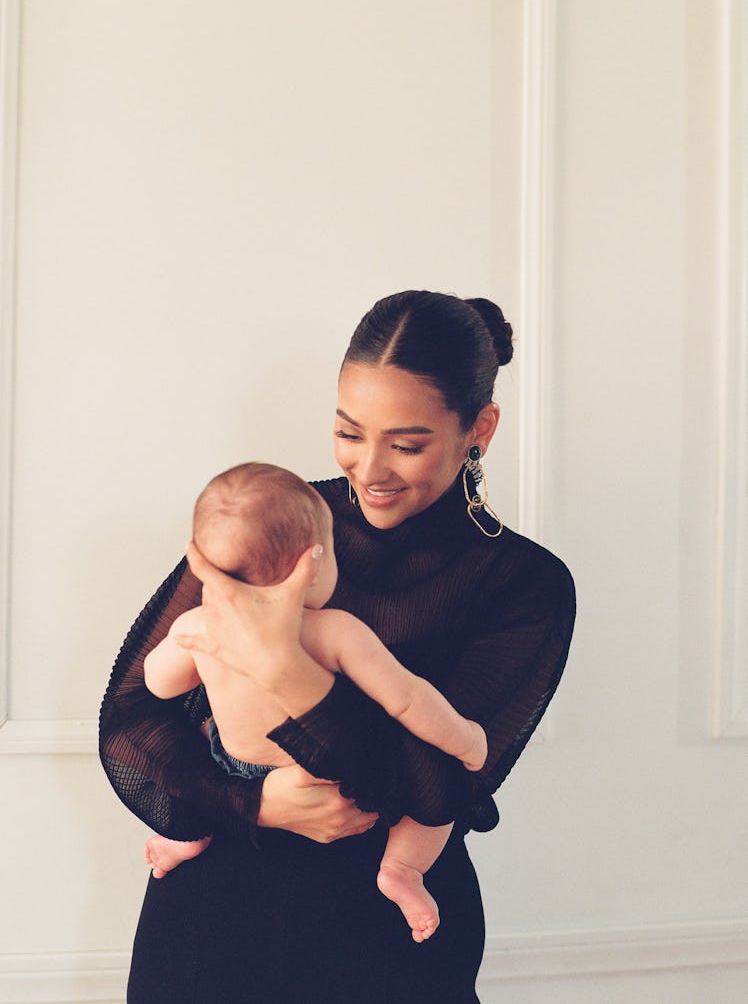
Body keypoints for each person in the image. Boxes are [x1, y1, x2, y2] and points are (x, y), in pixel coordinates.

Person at [100, 290, 576, 1003]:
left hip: (384, 939)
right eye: (350, 433)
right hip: (210, 925)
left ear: (481, 427)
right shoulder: (270, 521)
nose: (370, 469)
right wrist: (253, 803)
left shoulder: (525, 584)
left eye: (407, 444)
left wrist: (285, 671)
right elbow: (130, 721)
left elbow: (440, 784)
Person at [142, 461, 487, 943]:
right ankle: (402, 869)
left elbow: (158, 687)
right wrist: (466, 740)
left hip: (230, 764)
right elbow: (407, 700)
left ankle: (189, 833)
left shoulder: (196, 627)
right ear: (314, 564)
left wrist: (194, 640)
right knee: (433, 789)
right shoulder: (334, 630)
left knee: (194, 743)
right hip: (323, 771)